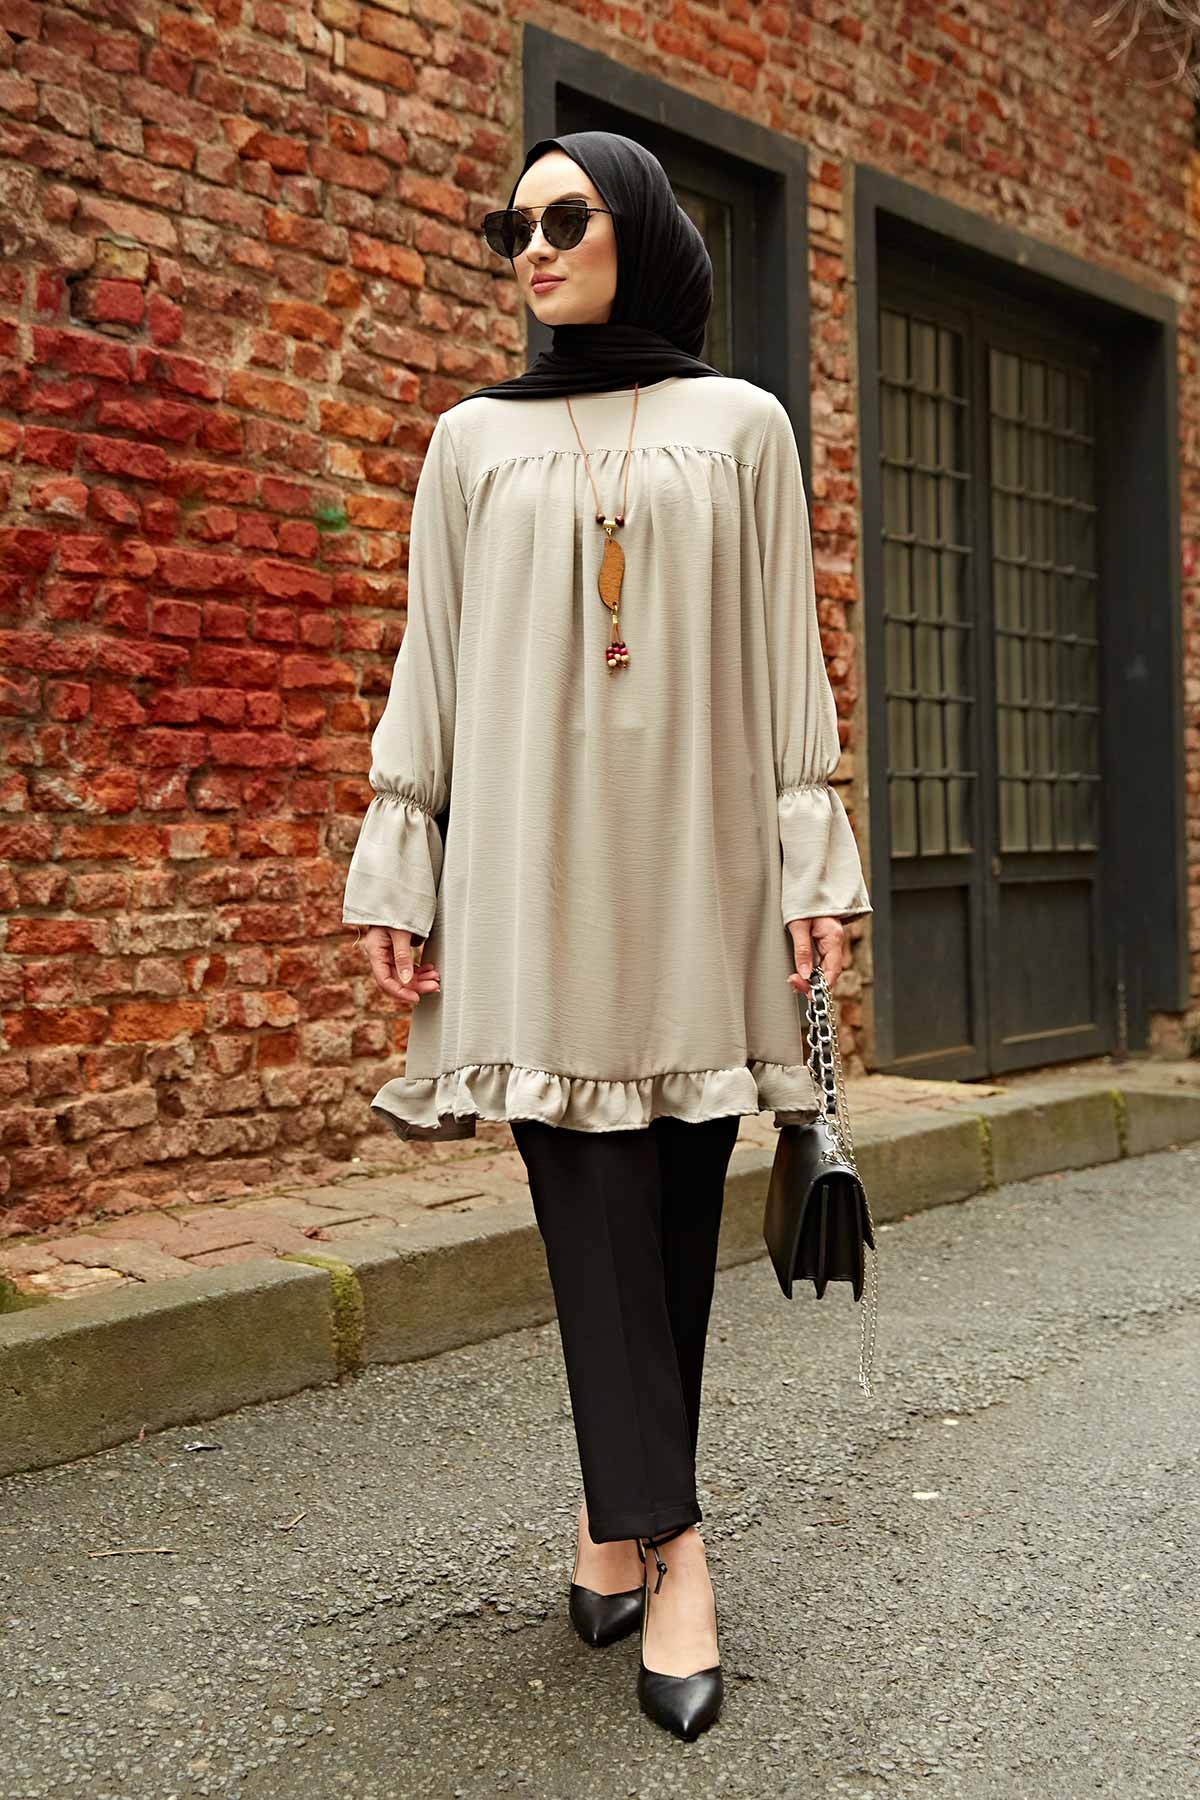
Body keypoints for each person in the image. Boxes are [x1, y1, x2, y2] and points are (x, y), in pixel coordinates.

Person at [341, 129, 872, 1741]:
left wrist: (813, 860)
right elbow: (432, 658)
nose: (533, 247)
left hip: (701, 872)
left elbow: (785, 654)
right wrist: (401, 859)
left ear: (638, 225)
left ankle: (608, 1515)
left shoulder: (745, 427)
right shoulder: (468, 443)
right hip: (530, 879)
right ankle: (679, 1551)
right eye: (513, 225)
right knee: (588, 1209)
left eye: (564, 217)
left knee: (673, 1213)